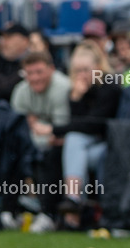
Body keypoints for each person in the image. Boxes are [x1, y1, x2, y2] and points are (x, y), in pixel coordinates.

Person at [52, 43, 121, 228]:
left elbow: (93, 125)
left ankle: (73, 203)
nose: (81, 74)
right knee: (76, 150)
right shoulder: (77, 90)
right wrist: (76, 98)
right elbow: (79, 123)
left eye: (86, 69)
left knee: (73, 141)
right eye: (77, 70)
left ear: (98, 67)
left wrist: (54, 130)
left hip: (110, 144)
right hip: (88, 147)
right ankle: (74, 209)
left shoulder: (110, 86)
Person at [10, 50, 71, 233]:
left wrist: (36, 125)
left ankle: (48, 214)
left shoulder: (62, 87)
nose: (35, 78)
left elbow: (60, 131)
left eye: (39, 72)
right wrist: (40, 129)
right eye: (30, 73)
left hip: (61, 145)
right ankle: (9, 211)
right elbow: (16, 128)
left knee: (48, 153)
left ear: (51, 69)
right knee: (9, 150)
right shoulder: (21, 90)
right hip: (33, 143)